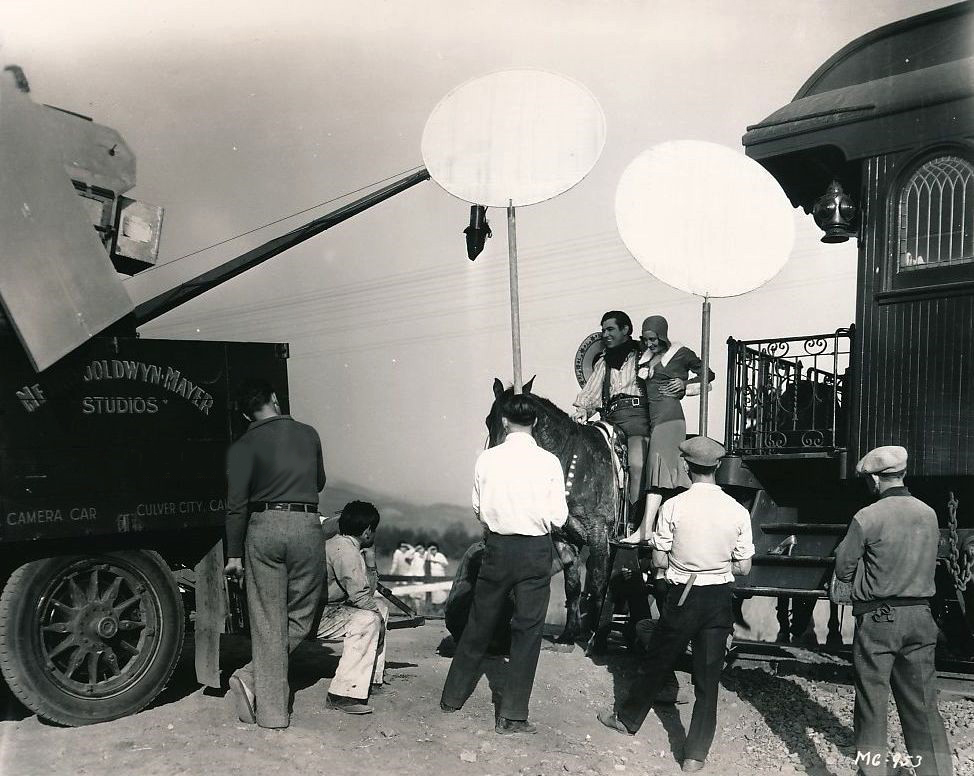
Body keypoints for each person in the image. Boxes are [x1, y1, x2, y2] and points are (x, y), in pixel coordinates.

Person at [597, 436, 753, 774]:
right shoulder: (737, 511)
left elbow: (659, 557)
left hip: (683, 594)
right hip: (719, 598)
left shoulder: (674, 506)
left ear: (686, 466)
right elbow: (743, 567)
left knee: (658, 660)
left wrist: (676, 562)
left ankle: (626, 721)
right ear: (717, 467)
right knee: (708, 677)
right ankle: (695, 755)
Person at [441, 392, 568, 734]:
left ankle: (452, 698)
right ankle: (511, 715)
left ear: (504, 421)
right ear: (536, 423)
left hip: (496, 548)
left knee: (479, 621)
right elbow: (559, 516)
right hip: (534, 552)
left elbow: (479, 509)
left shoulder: (486, 459)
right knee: (527, 632)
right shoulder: (549, 462)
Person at [833, 446, 952, 776]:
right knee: (923, 706)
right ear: (902, 474)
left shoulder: (867, 516)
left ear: (874, 479)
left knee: (872, 705)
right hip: (922, 617)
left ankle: (872, 773)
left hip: (879, 620)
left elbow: (844, 568)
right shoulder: (928, 513)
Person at [224, 378, 326, 729]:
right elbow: (320, 482)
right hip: (305, 523)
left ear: (244, 412)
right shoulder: (309, 434)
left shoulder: (242, 445)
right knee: (305, 613)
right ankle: (251, 678)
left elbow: (236, 506)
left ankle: (269, 710)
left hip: (263, 526)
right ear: (274, 399)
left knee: (267, 620)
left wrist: (233, 555)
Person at [621, 315, 714, 543]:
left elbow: (708, 374)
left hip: (670, 419)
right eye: (645, 339)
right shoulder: (647, 358)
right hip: (655, 420)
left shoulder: (680, 353)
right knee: (663, 475)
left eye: (653, 338)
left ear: (662, 335)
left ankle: (645, 530)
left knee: (657, 473)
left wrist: (685, 384)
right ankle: (690, 521)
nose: (649, 343)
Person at [573, 311, 658, 516]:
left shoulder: (644, 356)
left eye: (610, 329)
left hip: (638, 419)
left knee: (637, 465)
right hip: (610, 420)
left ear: (626, 330)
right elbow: (590, 394)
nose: (605, 334)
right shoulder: (603, 363)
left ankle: (635, 519)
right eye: (603, 330)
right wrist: (583, 410)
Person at [316, 500, 389, 715]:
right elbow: (360, 595)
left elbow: (367, 591)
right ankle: (343, 694)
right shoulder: (346, 551)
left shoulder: (340, 543)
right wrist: (380, 624)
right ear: (367, 531)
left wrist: (371, 559)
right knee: (369, 619)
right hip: (318, 614)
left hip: (326, 608)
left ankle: (368, 680)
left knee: (380, 608)